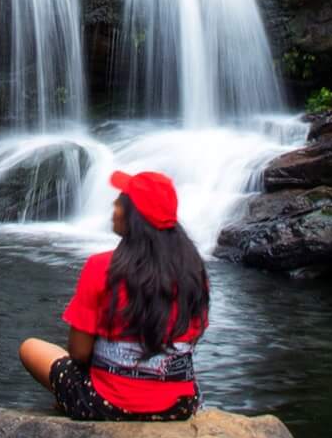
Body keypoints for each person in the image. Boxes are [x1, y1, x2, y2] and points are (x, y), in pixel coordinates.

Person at [16, 170, 209, 422]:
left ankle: (73, 400)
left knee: (31, 348)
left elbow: (79, 353)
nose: (114, 205)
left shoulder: (101, 267)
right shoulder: (194, 271)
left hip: (107, 405)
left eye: (120, 200)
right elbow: (192, 338)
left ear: (133, 216)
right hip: (178, 406)